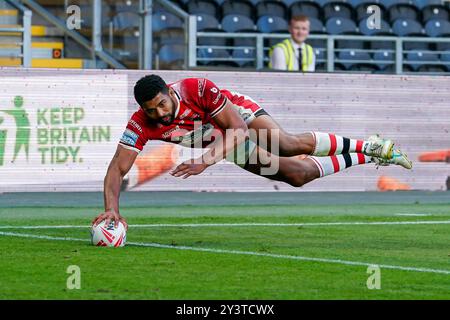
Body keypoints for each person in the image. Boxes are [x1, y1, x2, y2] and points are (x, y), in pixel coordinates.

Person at [92, 75, 412, 229]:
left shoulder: (197, 88)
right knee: (296, 176)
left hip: (235, 119)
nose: (160, 114)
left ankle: (367, 143)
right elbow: (116, 169)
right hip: (219, 143)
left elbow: (237, 130)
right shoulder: (140, 124)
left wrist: (204, 162)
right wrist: (111, 208)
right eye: (152, 111)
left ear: (169, 93)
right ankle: (368, 155)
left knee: (286, 144)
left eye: (162, 104)